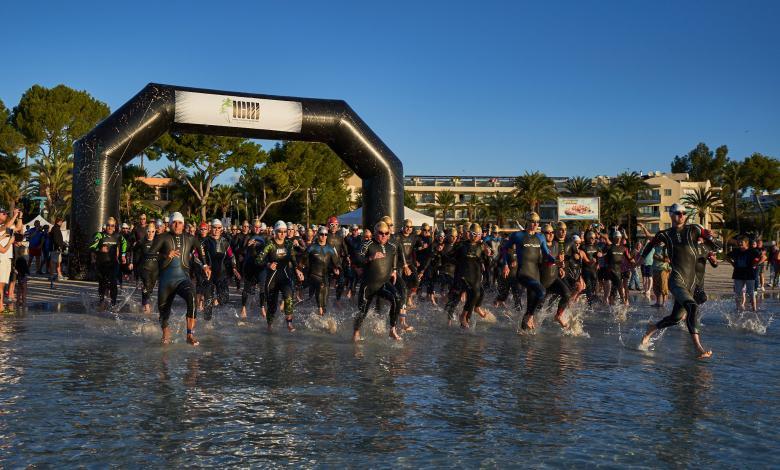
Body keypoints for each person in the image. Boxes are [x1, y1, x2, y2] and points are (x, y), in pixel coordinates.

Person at [640, 203, 722, 359]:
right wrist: (638, 260)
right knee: (692, 307)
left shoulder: (694, 230)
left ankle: (652, 328)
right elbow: (650, 245)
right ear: (671, 215)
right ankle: (698, 347)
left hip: (691, 284)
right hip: (676, 280)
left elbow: (716, 247)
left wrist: (710, 236)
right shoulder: (665, 234)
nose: (682, 215)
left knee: (676, 318)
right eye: (678, 213)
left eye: (684, 213)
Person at [146, 212, 210, 345]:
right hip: (166, 281)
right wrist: (165, 255)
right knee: (164, 313)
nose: (177, 225)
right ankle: (165, 332)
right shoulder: (162, 237)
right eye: (174, 222)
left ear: (183, 224)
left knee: (192, 296)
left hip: (182, 279)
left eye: (179, 222)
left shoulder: (191, 238)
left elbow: (200, 251)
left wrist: (204, 266)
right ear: (169, 224)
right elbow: (149, 255)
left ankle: (189, 334)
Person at [502, 212, 560, 330]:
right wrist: (505, 265)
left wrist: (555, 260)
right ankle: (529, 317)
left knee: (531, 304)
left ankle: (523, 333)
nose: (535, 224)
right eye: (533, 221)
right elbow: (504, 248)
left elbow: (546, 253)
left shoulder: (540, 237)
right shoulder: (518, 236)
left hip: (535, 273)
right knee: (542, 292)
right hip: (523, 272)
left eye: (537, 222)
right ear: (527, 222)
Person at [352, 220, 403, 342]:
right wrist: (370, 258)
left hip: (383, 284)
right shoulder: (368, 244)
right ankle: (356, 332)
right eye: (381, 233)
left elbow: (394, 255)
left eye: (386, 233)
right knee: (362, 311)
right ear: (375, 233)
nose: (384, 235)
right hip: (368, 285)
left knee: (397, 299)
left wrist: (394, 270)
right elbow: (357, 258)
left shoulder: (392, 247)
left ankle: (392, 329)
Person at [256, 221, 304, 332]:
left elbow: (293, 258)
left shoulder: (288, 244)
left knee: (288, 298)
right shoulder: (270, 244)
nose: (282, 234)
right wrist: (268, 264)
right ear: (275, 232)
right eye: (280, 232)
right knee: (272, 307)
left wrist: (298, 270)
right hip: (272, 278)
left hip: (285, 276)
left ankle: (289, 324)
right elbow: (258, 260)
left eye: (284, 232)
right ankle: (269, 326)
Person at [444, 223, 492, 328]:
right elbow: (447, 257)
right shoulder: (461, 245)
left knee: (477, 294)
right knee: (459, 297)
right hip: (462, 275)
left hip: (475, 275)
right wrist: (459, 262)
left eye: (479, 234)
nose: (476, 236)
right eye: (474, 233)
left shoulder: (482, 245)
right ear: (469, 234)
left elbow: (488, 261)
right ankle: (450, 318)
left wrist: (487, 257)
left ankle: (465, 318)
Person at [201, 219, 240, 320]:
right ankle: (207, 325)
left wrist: (234, 268)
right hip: (209, 274)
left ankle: (217, 307)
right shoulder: (205, 241)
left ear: (221, 229)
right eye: (215, 227)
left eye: (219, 228)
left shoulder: (225, 242)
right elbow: (197, 255)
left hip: (221, 273)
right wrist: (204, 266)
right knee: (208, 302)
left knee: (224, 299)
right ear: (211, 228)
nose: (217, 230)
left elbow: (231, 256)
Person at [89, 217, 127, 307]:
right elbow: (91, 246)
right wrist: (99, 249)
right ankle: (102, 301)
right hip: (102, 264)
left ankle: (113, 303)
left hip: (113, 264)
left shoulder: (118, 236)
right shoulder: (100, 235)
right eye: (108, 225)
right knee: (102, 283)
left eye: (112, 226)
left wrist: (123, 255)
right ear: (106, 226)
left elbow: (124, 243)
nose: (110, 227)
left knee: (113, 282)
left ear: (114, 227)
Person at [540, 224, 571, 328]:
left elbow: (558, 259)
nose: (550, 234)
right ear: (542, 234)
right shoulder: (539, 246)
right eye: (547, 233)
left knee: (567, 294)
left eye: (552, 232)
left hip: (553, 279)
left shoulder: (556, 244)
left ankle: (558, 316)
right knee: (537, 310)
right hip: (542, 281)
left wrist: (561, 268)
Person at [307, 226, 341, 315]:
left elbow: (336, 262)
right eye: (321, 234)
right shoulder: (312, 247)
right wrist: (300, 271)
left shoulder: (330, 248)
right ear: (318, 235)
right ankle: (319, 310)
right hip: (314, 275)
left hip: (325, 275)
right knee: (319, 292)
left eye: (326, 234)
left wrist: (336, 269)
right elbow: (303, 261)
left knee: (324, 302)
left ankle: (320, 319)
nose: (323, 236)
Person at [240, 220, 267, 321]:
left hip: (261, 267)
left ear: (261, 228)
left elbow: (268, 249)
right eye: (255, 227)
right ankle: (243, 307)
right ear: (251, 227)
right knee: (247, 288)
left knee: (263, 287)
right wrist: (247, 245)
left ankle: (262, 308)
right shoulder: (247, 237)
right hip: (249, 266)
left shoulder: (265, 237)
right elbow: (240, 251)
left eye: (259, 227)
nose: (257, 229)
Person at [726, 237, 760, 312]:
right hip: (738, 274)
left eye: (741, 242)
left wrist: (756, 264)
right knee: (737, 292)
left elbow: (763, 257)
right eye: (739, 242)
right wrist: (732, 263)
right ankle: (738, 308)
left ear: (746, 243)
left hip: (749, 274)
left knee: (751, 292)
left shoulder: (752, 251)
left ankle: (754, 309)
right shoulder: (736, 251)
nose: (739, 243)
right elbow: (727, 256)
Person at [132, 224, 158, 314]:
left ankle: (144, 300)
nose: (150, 233)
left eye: (152, 231)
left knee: (150, 288)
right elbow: (134, 252)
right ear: (146, 231)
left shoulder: (158, 242)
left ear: (155, 231)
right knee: (146, 284)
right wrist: (134, 266)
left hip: (155, 269)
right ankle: (146, 305)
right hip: (144, 267)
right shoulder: (141, 242)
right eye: (148, 231)